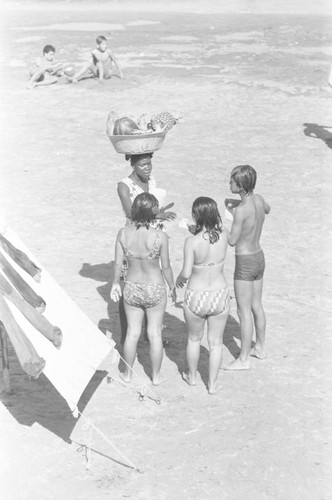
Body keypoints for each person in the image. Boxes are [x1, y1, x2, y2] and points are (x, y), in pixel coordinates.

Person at [110, 193, 176, 385]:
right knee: (155, 333)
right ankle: (155, 376)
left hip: (131, 286)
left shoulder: (123, 233)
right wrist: (172, 287)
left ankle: (128, 375)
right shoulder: (160, 236)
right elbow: (166, 267)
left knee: (132, 333)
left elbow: (117, 262)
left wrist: (115, 283)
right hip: (155, 286)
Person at [117, 152, 176, 344]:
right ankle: (127, 334)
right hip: (133, 237)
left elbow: (150, 205)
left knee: (151, 281)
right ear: (132, 165)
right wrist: (157, 215)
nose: (147, 168)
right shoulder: (123, 186)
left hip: (151, 235)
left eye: (149, 163)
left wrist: (159, 212)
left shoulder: (151, 180)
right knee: (128, 285)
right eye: (143, 165)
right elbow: (131, 213)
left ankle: (148, 333)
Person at [176, 197, 230, 394]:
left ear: (195, 215)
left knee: (193, 339)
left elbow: (187, 272)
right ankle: (213, 385)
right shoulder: (224, 235)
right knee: (216, 343)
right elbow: (218, 237)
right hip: (219, 293)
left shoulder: (191, 242)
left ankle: (191, 377)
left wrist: (178, 280)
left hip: (197, 294)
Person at [224, 164, 271, 370]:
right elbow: (266, 209)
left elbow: (232, 240)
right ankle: (259, 347)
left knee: (244, 312)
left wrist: (220, 224)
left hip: (244, 261)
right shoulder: (258, 199)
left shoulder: (240, 212)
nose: (229, 183)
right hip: (259, 256)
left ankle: (243, 359)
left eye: (232, 181)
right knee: (256, 305)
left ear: (241, 186)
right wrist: (238, 203)